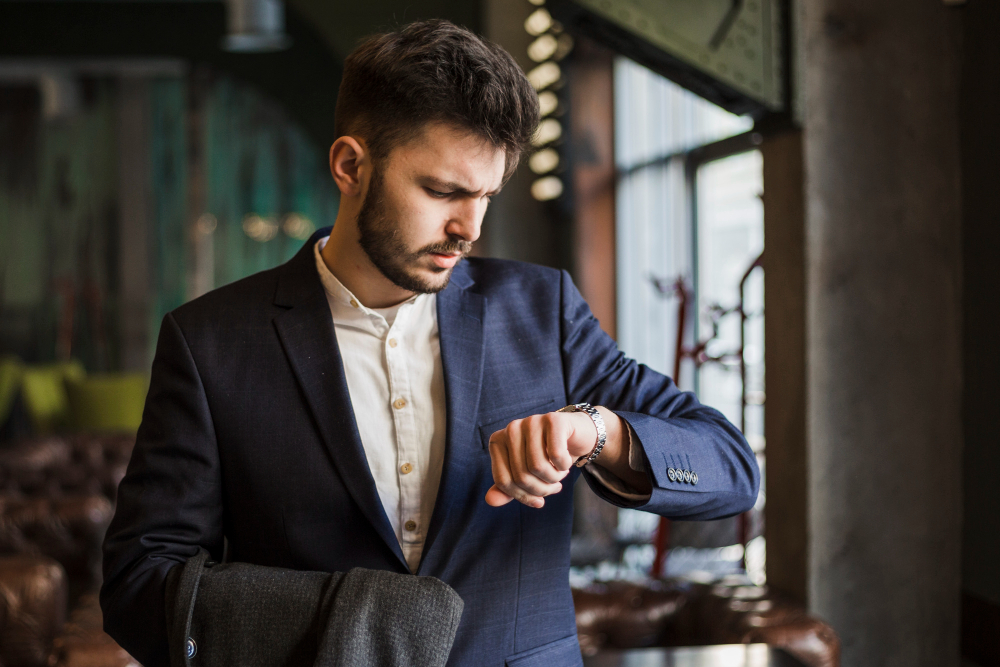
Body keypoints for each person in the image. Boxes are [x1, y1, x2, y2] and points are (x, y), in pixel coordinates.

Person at [101, 19, 759, 667]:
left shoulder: (543, 310)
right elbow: (138, 583)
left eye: (486, 195)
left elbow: (731, 467)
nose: (468, 227)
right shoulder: (210, 342)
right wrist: (348, 616)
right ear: (351, 165)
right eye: (442, 190)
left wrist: (598, 432)